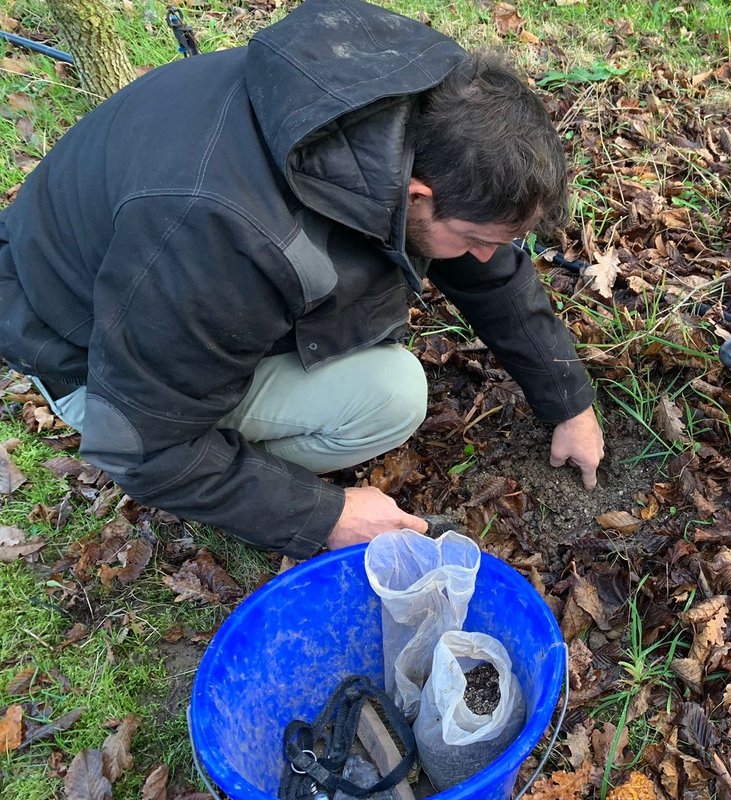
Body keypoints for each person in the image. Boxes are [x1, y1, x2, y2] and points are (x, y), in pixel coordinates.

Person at [0, 0, 604, 559]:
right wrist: (325, 514)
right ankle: (231, 470)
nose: (481, 257)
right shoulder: (219, 235)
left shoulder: (417, 99)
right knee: (389, 400)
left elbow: (488, 263)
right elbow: (137, 444)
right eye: (474, 240)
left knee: (385, 350)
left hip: (150, 277)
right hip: (80, 348)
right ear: (417, 195)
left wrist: (568, 403)